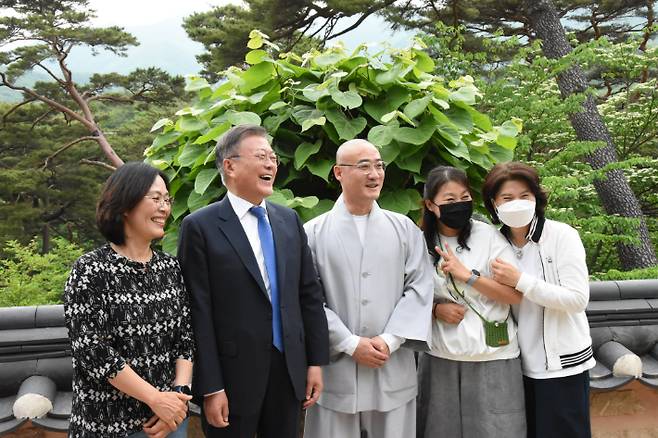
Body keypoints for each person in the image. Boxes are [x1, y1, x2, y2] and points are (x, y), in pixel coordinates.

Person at [177, 124, 329, 438]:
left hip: (288, 372)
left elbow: (309, 295)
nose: (271, 164)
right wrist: (211, 386)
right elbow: (197, 312)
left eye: (272, 158)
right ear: (229, 166)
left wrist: (315, 361)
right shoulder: (200, 226)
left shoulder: (288, 220)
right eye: (261, 157)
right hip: (231, 378)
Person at [303, 139, 434, 438]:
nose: (374, 174)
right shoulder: (311, 233)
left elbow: (419, 289)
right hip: (336, 371)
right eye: (364, 166)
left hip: (391, 364)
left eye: (379, 166)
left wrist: (389, 340)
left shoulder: (404, 229)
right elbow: (308, 299)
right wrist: (349, 343)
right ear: (338, 173)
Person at [64, 162, 195, 438]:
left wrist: (178, 397)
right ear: (124, 204)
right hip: (109, 425)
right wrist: (155, 399)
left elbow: (185, 339)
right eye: (155, 198)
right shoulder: (90, 269)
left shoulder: (170, 268)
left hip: (169, 422)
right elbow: (92, 349)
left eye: (167, 200)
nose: (165, 208)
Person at [482, 162, 595, 438]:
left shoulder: (561, 236)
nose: (516, 204)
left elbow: (577, 298)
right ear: (494, 205)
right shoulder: (494, 243)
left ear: (536, 198)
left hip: (562, 368)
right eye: (507, 198)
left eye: (524, 196)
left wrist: (520, 280)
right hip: (514, 366)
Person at [416, 165, 526, 438]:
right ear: (431, 204)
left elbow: (515, 294)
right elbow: (402, 296)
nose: (459, 205)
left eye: (465, 198)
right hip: (440, 357)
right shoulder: (418, 243)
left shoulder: (488, 236)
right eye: (450, 200)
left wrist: (468, 277)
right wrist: (435, 310)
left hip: (494, 356)